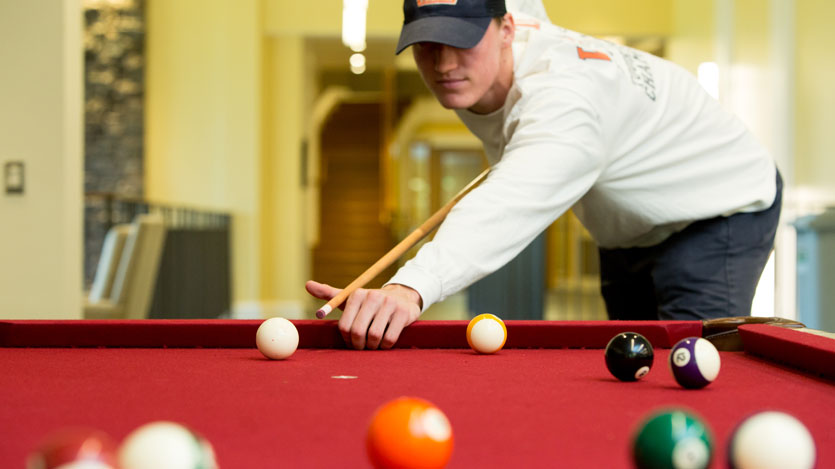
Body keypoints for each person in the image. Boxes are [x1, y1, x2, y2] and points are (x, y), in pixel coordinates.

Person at [306, 0, 782, 350]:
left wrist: (410, 286)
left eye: (461, 42)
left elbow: (509, 201)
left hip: (719, 207)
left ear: (507, 28)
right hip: (630, 227)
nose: (444, 64)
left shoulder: (564, 101)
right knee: (637, 362)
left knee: (689, 366)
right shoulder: (512, 30)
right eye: (427, 46)